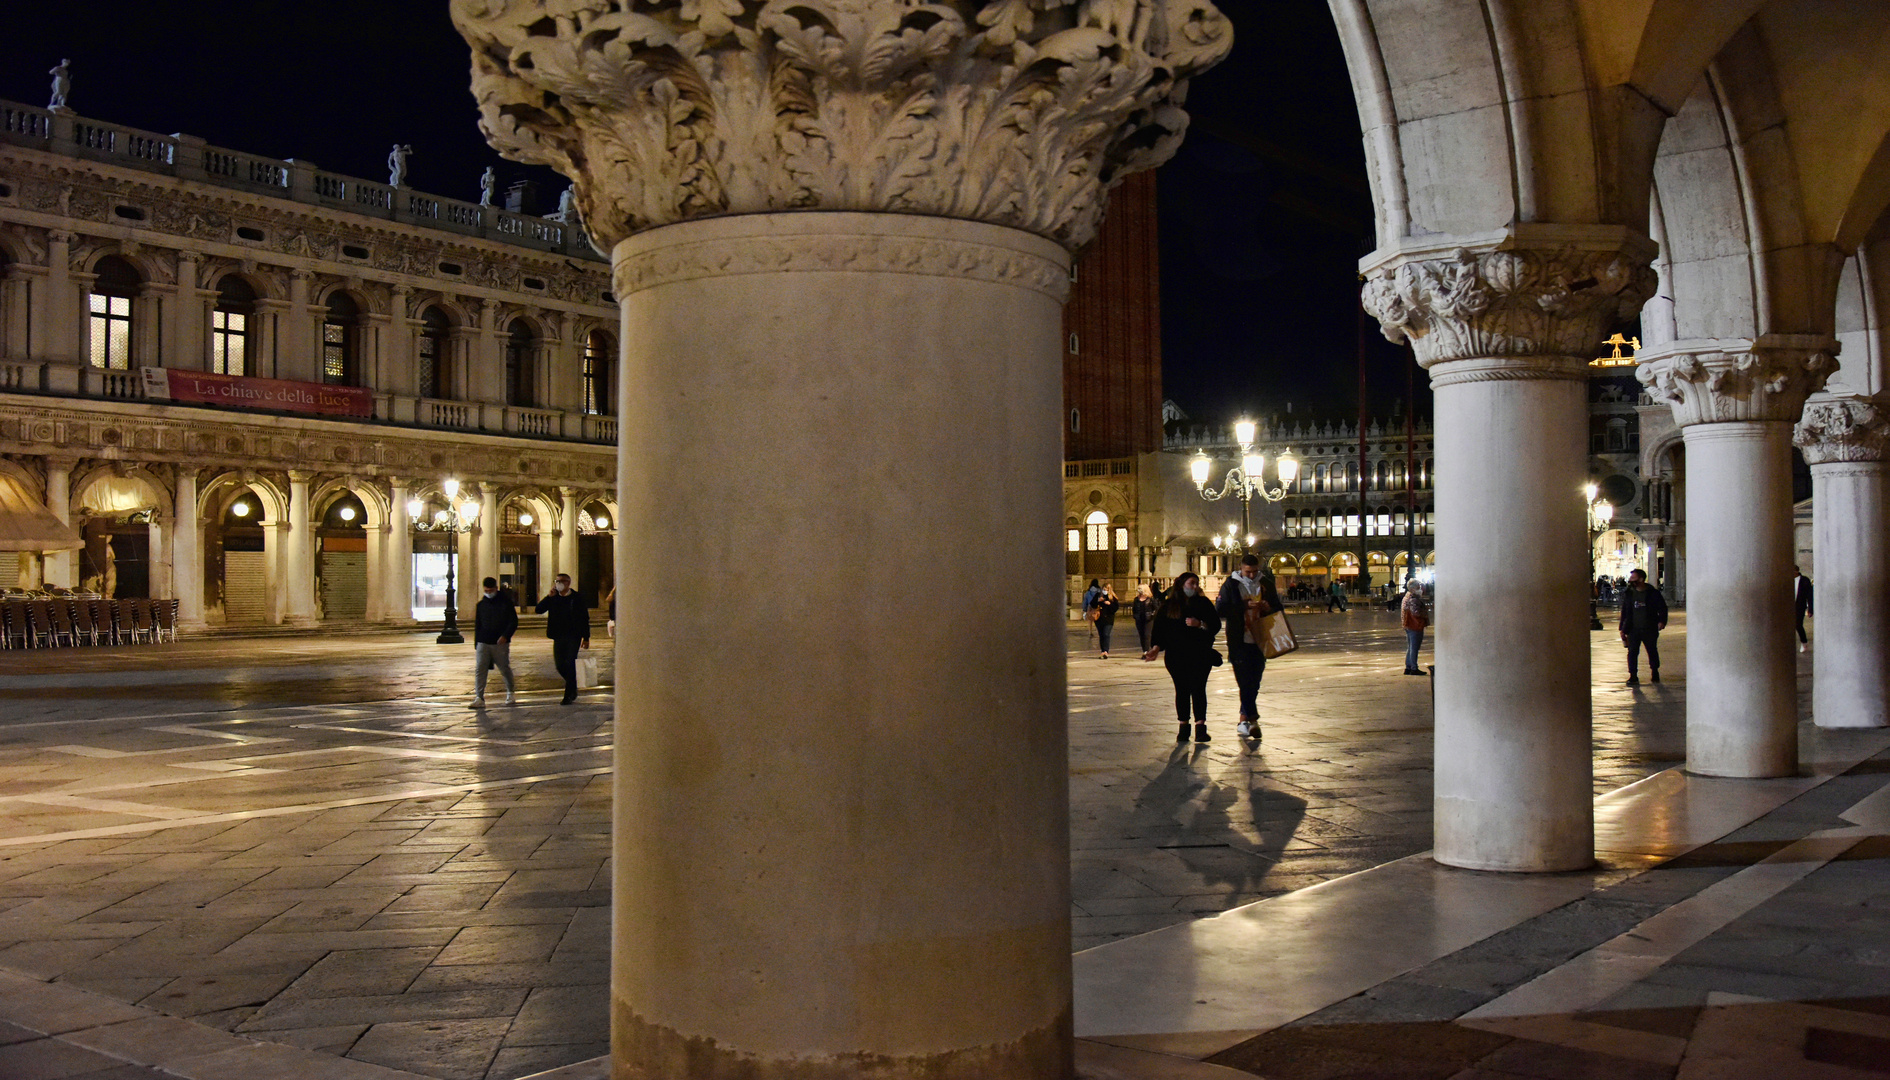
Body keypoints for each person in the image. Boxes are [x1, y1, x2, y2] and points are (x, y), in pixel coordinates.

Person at [1143, 573, 1221, 743]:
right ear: (1182, 584)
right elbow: (1160, 630)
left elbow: (1215, 625)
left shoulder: (1203, 603)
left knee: (1199, 688)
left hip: (1200, 654)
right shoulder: (1169, 606)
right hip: (1176, 656)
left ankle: (1200, 728)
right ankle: (1183, 727)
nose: (1194, 587)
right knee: (1182, 689)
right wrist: (1155, 648)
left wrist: (1199, 624)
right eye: (1191, 583)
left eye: (1196, 584)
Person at [1216, 553, 1283, 740]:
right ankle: (1252, 720)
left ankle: (1243, 720)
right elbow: (1220, 610)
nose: (1252, 576)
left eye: (1255, 572)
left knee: (1254, 682)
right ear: (1241, 568)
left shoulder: (1266, 584)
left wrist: (1268, 607)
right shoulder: (1231, 585)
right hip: (1239, 640)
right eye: (1248, 572)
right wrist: (1245, 606)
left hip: (1261, 639)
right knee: (1244, 681)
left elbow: (1278, 608)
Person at [535, 573, 592, 704]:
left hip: (574, 635)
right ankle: (573, 684)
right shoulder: (553, 598)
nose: (558, 583)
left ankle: (568, 695)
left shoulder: (577, 598)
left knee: (570, 662)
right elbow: (539, 610)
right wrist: (548, 597)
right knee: (560, 665)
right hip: (558, 635)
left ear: (568, 583)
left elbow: (584, 618)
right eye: (557, 581)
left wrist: (586, 637)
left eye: (561, 581)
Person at [470, 576, 517, 708]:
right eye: (486, 590)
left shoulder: (506, 603)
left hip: (500, 642)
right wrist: (477, 643)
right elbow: (477, 625)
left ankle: (510, 693)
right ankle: (479, 697)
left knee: (504, 668)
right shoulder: (481, 605)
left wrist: (505, 636)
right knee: (480, 669)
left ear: (496, 589)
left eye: (491, 590)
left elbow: (513, 621)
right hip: (483, 641)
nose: (489, 593)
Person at [1619, 568, 1668, 686]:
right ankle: (1633, 675)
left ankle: (1654, 670)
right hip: (1633, 628)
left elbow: (1662, 607)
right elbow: (1625, 611)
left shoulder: (1652, 592)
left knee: (1652, 650)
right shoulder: (1629, 593)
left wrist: (1662, 621)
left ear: (1641, 579)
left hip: (1649, 627)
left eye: (1633, 578)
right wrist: (1622, 628)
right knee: (1632, 652)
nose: (1630, 580)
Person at [1400, 578, 1428, 675]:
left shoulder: (1406, 597)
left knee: (1411, 647)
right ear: (1412, 589)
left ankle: (1408, 667)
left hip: (1408, 625)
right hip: (1415, 625)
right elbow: (1416, 612)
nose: (1420, 589)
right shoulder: (1413, 599)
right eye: (1418, 587)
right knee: (1414, 647)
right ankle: (1413, 667)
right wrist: (1425, 613)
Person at [1093, 584, 1121, 659]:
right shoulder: (1098, 596)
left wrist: (1109, 604)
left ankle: (1106, 651)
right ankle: (1102, 651)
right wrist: (1098, 601)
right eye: (1104, 589)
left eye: (1106, 589)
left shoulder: (1113, 598)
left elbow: (1115, 608)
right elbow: (1092, 604)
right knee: (1101, 635)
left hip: (1108, 619)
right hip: (1099, 619)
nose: (1105, 590)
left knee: (1106, 634)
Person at [1131, 584, 1156, 654]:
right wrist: (1135, 616)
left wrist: (1151, 615)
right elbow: (1134, 609)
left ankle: (1146, 651)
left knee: (1146, 635)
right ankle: (1144, 650)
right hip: (1139, 619)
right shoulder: (1136, 599)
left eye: (1140, 588)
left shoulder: (1150, 599)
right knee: (1141, 635)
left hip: (1148, 619)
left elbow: (1156, 608)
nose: (1139, 590)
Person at [1793, 565, 1813, 652]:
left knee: (1798, 625)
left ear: (1796, 571)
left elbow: (1810, 596)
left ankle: (1804, 643)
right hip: (1788, 606)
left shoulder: (1804, 580)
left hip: (1799, 606)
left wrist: (1810, 609)